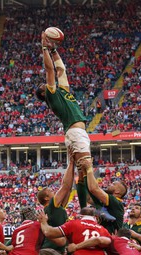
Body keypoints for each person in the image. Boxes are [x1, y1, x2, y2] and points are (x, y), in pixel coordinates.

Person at [36, 32, 92, 171]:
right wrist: (44, 48)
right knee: (86, 168)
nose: (44, 84)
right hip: (75, 132)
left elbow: (61, 70)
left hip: (77, 132)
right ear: (44, 94)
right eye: (41, 86)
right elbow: (50, 70)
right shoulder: (52, 95)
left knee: (84, 169)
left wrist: (53, 50)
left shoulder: (62, 92)